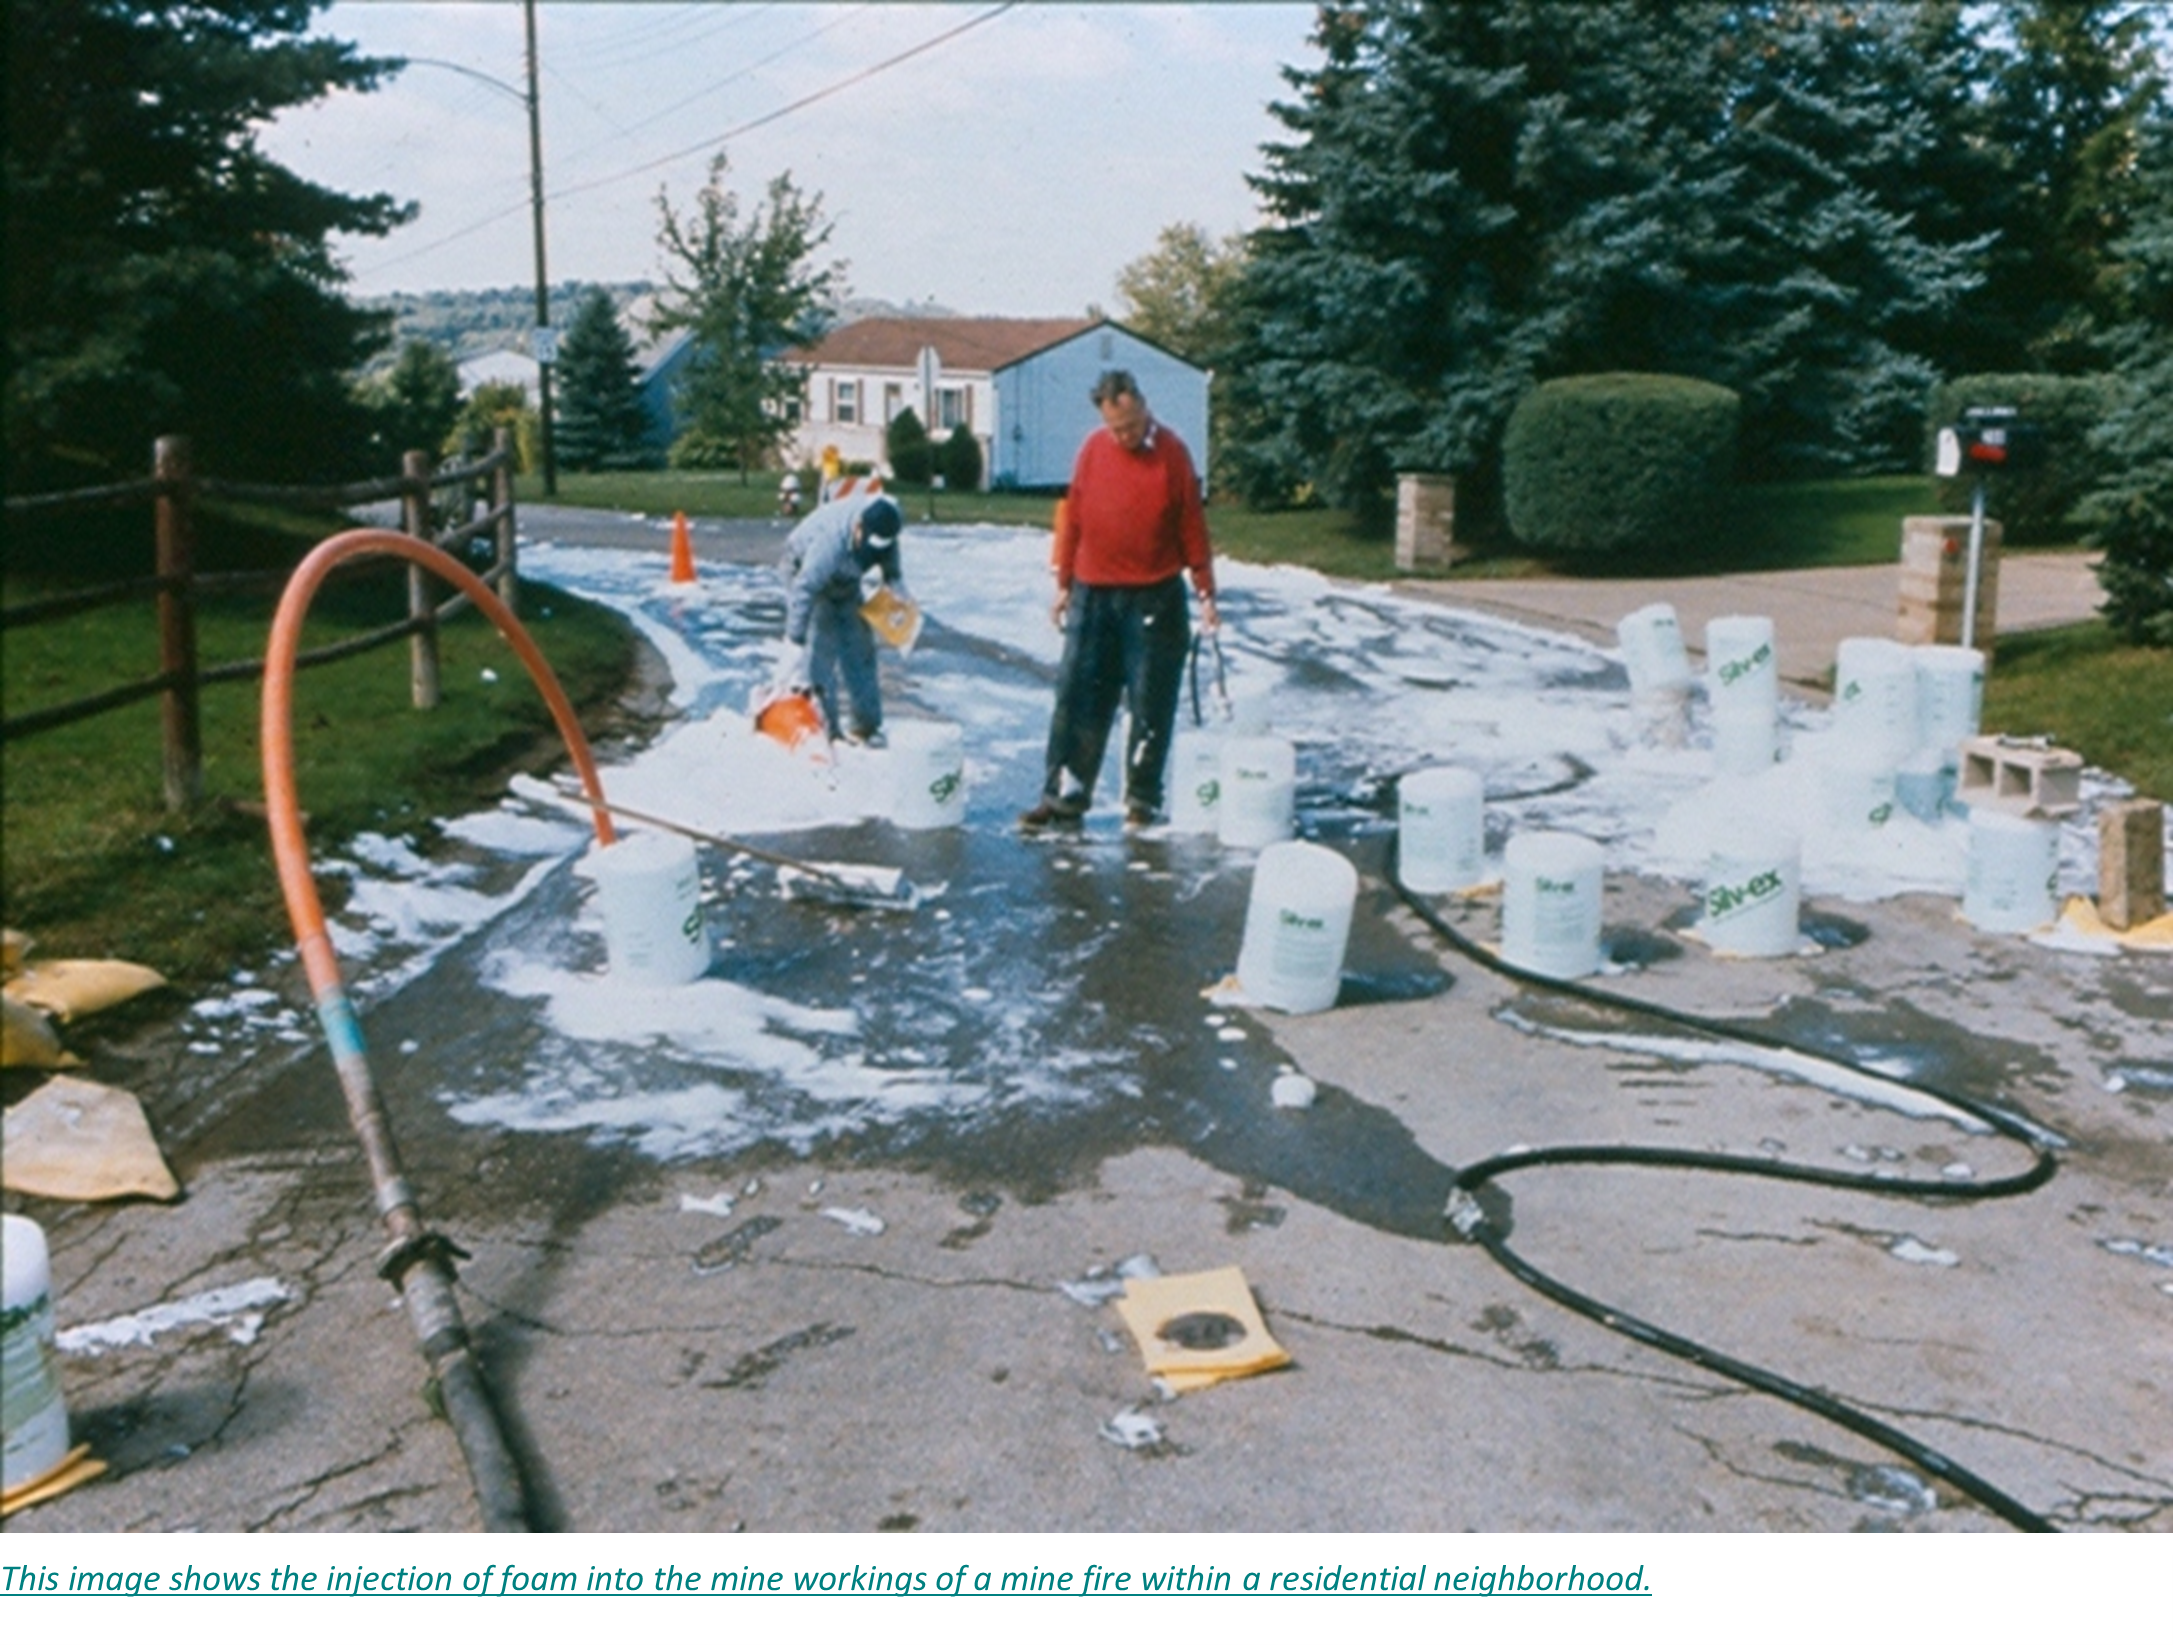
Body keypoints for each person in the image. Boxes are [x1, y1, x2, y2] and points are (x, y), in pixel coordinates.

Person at [1019, 369, 1218, 830]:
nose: (1124, 435)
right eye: (1116, 428)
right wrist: (1064, 582)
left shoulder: (1172, 453)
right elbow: (1075, 517)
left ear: (1142, 406)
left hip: (1155, 596)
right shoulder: (1093, 449)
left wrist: (1206, 591)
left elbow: (1192, 526)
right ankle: (1064, 797)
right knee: (1078, 697)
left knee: (1151, 701)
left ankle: (1142, 802)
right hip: (1094, 593)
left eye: (1130, 425)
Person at [777, 492, 904, 744]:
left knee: (860, 647)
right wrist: (795, 640)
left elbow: (892, 574)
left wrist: (896, 600)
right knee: (821, 648)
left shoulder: (886, 531)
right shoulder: (830, 543)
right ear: (858, 528)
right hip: (804, 571)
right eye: (867, 544)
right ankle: (826, 734)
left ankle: (866, 727)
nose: (871, 552)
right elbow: (805, 588)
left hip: (845, 582)